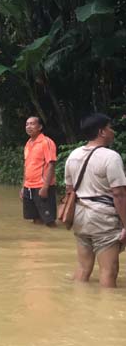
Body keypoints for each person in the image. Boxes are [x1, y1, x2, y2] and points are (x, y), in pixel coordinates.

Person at [65, 113, 126, 287]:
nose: (112, 131)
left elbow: (70, 190)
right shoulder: (110, 157)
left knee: (83, 268)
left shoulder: (73, 155)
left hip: (79, 215)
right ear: (102, 132)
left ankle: (79, 302)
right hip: (102, 217)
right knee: (109, 270)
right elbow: (119, 194)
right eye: (110, 127)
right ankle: (106, 308)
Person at [21, 116, 58, 226]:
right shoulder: (28, 143)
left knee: (49, 221)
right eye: (27, 124)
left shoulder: (46, 142)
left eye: (32, 124)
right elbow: (26, 166)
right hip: (29, 187)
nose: (29, 126)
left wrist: (45, 187)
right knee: (35, 220)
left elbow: (51, 164)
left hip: (42, 186)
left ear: (40, 127)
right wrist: (23, 187)